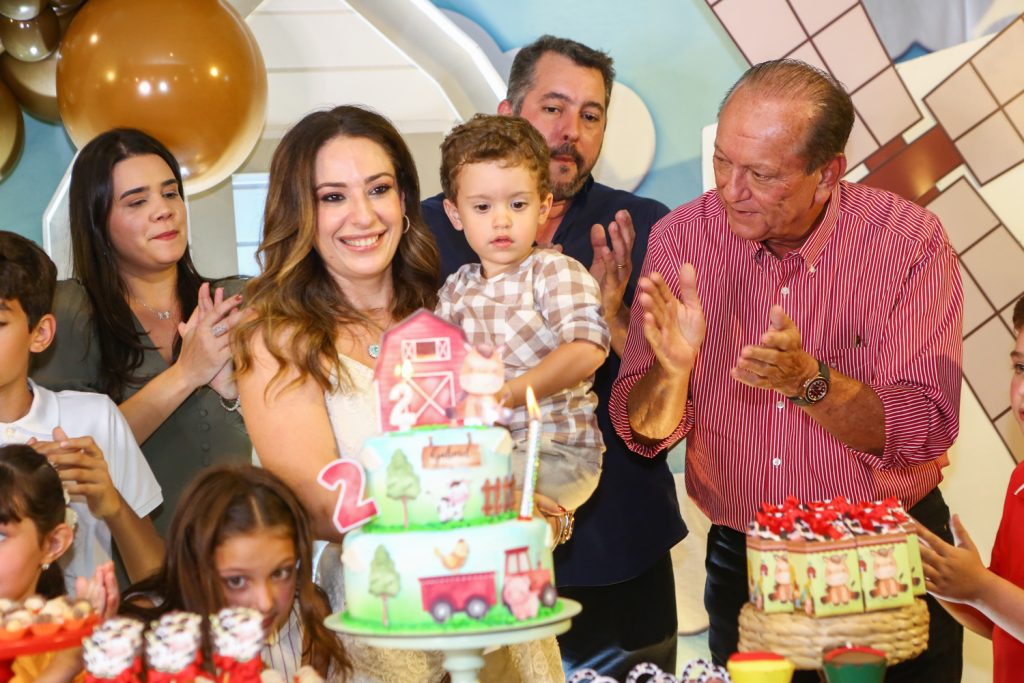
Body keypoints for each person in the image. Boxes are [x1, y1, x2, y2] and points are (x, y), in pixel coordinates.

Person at [610, 59, 964, 681]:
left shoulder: (907, 241)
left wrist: (809, 383)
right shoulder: (681, 239)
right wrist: (671, 372)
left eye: (762, 174)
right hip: (746, 558)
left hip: (883, 552)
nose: (730, 189)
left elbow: (926, 427)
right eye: (722, 161)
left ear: (827, 173)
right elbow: (644, 433)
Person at [234, 104, 564, 682]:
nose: (363, 215)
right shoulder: (276, 339)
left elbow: (512, 446)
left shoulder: (452, 305)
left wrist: (537, 514)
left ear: (405, 199)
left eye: (378, 189)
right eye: (332, 196)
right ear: (300, 211)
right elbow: (319, 506)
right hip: (380, 621)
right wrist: (460, 511)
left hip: (495, 609)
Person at [422, 35, 685, 677]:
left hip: (618, 549)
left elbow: (676, 394)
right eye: (553, 108)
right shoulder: (427, 232)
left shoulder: (643, 224)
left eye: (590, 115)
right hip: (480, 557)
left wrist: (612, 317)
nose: (571, 131)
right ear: (509, 112)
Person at [32, 128, 251, 536]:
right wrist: (186, 374)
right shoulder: (70, 311)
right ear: (98, 222)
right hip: (126, 558)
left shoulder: (233, 300)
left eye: (170, 193)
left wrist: (235, 394)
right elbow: (66, 458)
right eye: (137, 201)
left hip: (233, 549)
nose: (164, 210)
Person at [435, 113, 609, 514]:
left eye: (517, 204)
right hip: (486, 450)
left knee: (467, 498)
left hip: (554, 452)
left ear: (543, 206)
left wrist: (511, 394)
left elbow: (587, 349)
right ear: (455, 214)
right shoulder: (456, 289)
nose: (502, 220)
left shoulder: (553, 272)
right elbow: (439, 365)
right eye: (482, 206)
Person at [1, 231, 163, 587]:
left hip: (84, 623)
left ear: (40, 333)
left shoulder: (94, 419)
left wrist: (113, 504)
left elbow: (155, 579)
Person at [120, 465, 350, 680]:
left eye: (280, 573)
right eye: (237, 581)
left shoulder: (307, 620)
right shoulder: (141, 635)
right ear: (194, 570)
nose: (265, 602)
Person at [915, 295, 1024, 683]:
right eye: (1021, 367)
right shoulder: (1020, 481)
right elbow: (1001, 621)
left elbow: (990, 595)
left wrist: (982, 588)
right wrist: (938, 573)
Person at [0, 444, 121, 683]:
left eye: (1, 536)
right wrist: (65, 665)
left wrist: (92, 646)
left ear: (53, 544)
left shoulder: (67, 642)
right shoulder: (67, 657)